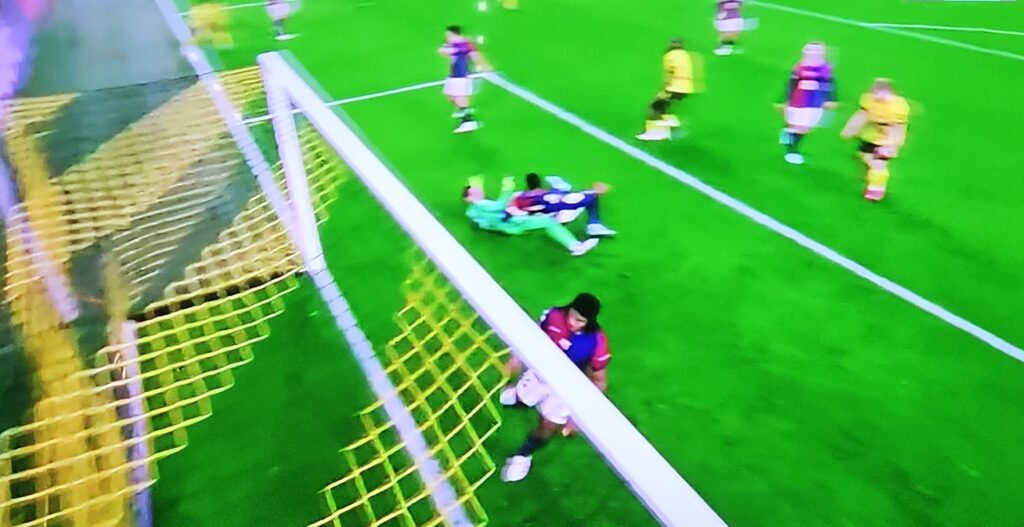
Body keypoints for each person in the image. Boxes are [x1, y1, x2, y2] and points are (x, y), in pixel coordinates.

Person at [500, 293, 610, 482]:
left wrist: (578, 417)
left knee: (548, 425)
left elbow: (599, 380)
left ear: (589, 321)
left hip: (566, 388)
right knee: (522, 397)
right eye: (572, 315)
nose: (572, 322)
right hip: (540, 372)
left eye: (579, 320)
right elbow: (531, 336)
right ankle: (519, 397)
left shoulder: (597, 342)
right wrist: (515, 359)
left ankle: (522, 456)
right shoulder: (553, 315)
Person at [464, 176, 599, 256]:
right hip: (514, 222)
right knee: (548, 222)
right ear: (468, 198)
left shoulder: (472, 212)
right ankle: (575, 247)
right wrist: (507, 187)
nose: (480, 192)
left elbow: (483, 223)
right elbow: (499, 205)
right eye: (475, 192)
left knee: (539, 214)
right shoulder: (480, 204)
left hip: (507, 225)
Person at [840, 78, 910, 201]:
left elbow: (898, 127)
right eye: (876, 93)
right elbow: (861, 116)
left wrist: (892, 145)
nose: (878, 96)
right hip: (869, 136)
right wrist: (850, 129)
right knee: (865, 158)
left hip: (886, 139)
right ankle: (871, 179)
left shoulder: (898, 107)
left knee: (879, 163)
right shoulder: (869, 101)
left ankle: (876, 189)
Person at [777, 42, 837, 165]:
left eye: (817, 51)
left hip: (815, 102)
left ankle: (788, 133)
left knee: (807, 128)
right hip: (798, 101)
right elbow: (791, 85)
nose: (814, 53)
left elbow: (830, 84)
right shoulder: (799, 67)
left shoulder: (826, 68)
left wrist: (831, 98)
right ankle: (792, 151)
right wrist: (785, 100)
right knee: (799, 127)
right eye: (810, 50)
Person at [510, 173, 617, 237]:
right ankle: (594, 225)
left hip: (546, 215)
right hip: (559, 215)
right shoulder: (545, 196)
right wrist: (594, 191)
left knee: (563, 192)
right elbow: (568, 202)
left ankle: (561, 186)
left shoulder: (521, 197)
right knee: (590, 197)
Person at [637, 38, 694, 142]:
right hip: (687, 87)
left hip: (674, 87)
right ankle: (667, 129)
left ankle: (655, 132)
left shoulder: (669, 55)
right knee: (663, 108)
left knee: (654, 107)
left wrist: (664, 88)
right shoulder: (685, 54)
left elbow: (670, 73)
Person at [440, 25, 492, 134]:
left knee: (460, 97)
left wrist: (484, 65)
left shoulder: (464, 46)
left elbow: (475, 55)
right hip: (453, 76)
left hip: (460, 76)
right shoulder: (457, 44)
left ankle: (468, 121)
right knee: (449, 95)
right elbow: (442, 51)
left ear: (454, 35)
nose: (447, 38)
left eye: (448, 36)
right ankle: (463, 111)